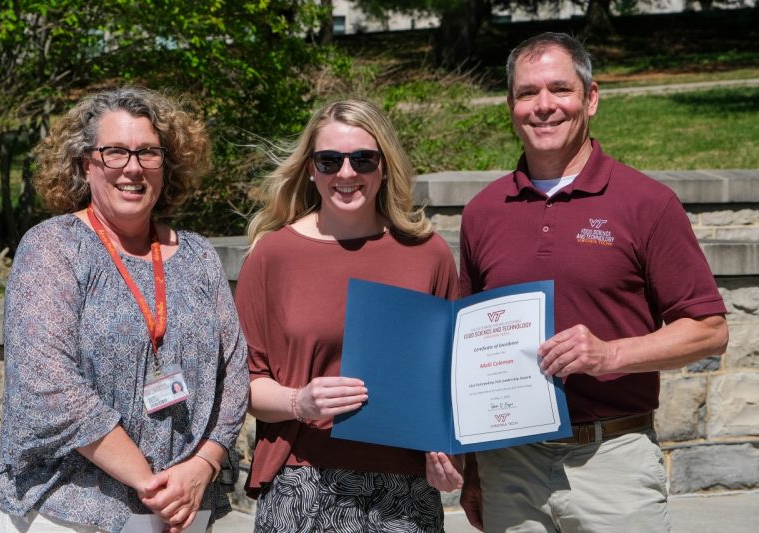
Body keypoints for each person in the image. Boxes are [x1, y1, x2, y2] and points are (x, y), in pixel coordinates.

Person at [428, 32, 729, 532]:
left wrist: (609, 355)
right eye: (527, 93)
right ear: (510, 106)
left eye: (559, 90)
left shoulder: (646, 203)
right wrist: (476, 466)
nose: (543, 106)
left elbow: (708, 329)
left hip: (611, 461)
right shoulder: (484, 212)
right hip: (511, 466)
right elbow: (474, 351)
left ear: (590, 98)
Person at [0, 86, 249, 533]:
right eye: (115, 152)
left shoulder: (199, 256)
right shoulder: (53, 248)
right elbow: (47, 385)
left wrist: (204, 465)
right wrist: (152, 484)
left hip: (184, 506)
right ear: (84, 164)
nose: (132, 168)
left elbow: (233, 373)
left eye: (148, 153)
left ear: (166, 166)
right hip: (70, 509)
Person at [235, 99, 460, 532]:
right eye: (329, 160)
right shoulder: (273, 256)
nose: (346, 173)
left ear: (384, 165)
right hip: (304, 482)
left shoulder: (427, 254)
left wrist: (448, 455)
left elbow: (450, 378)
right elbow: (240, 384)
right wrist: (299, 402)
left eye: (363, 159)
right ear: (310, 169)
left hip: (406, 488)